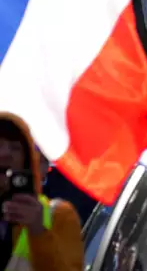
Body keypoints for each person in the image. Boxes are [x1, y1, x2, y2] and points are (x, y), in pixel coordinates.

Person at [0, 112, 83, 270]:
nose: (4, 154)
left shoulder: (59, 215)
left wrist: (38, 230)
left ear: (27, 161)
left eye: (15, 147)